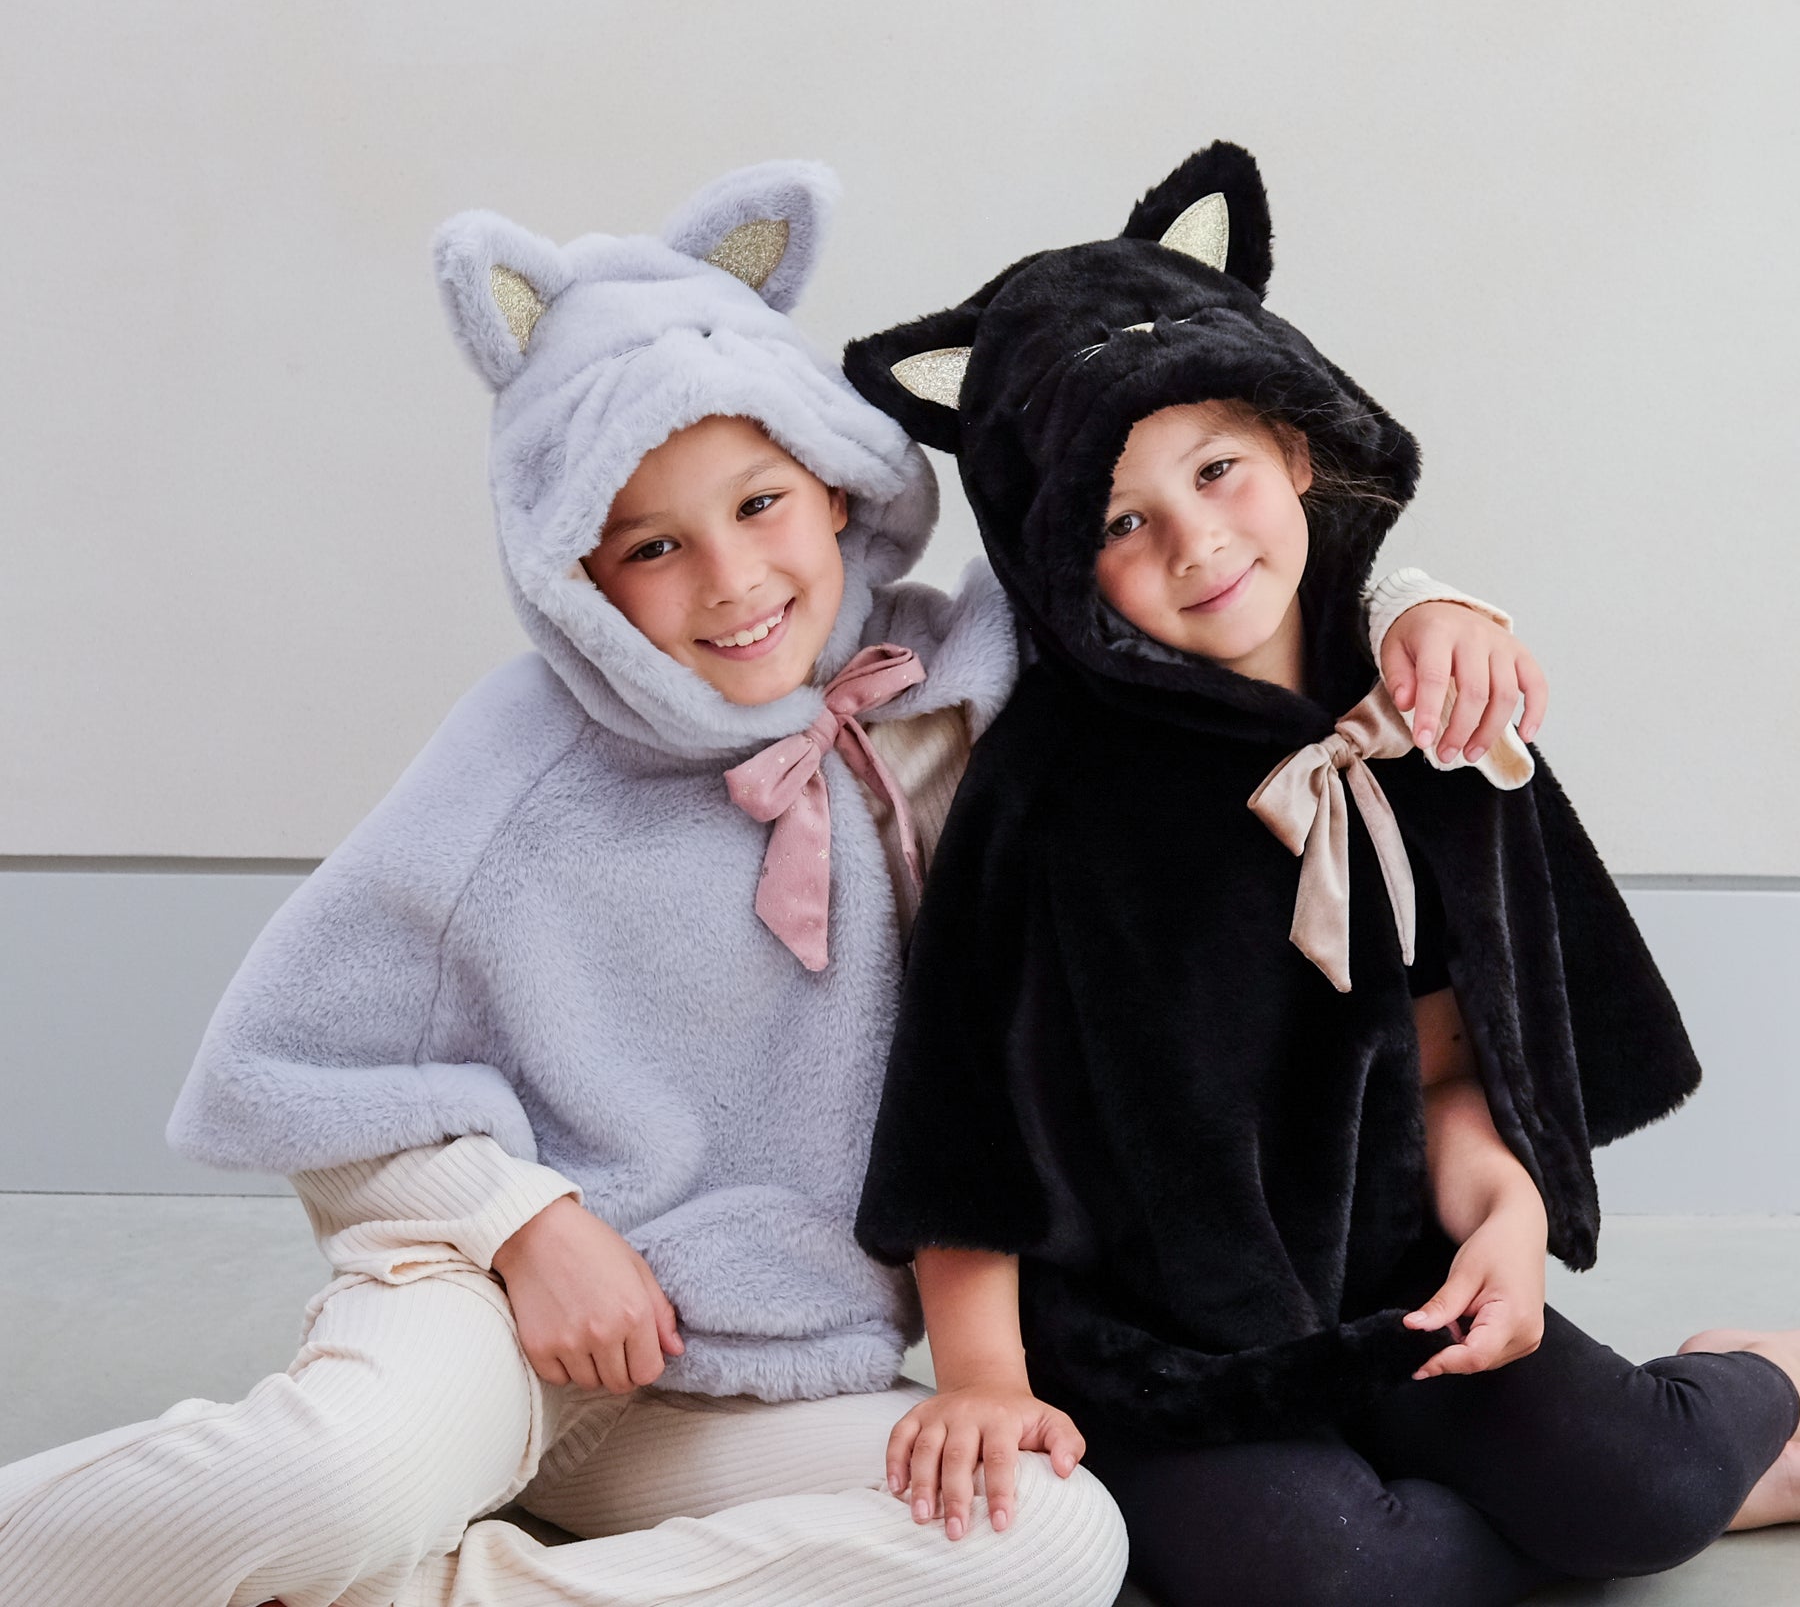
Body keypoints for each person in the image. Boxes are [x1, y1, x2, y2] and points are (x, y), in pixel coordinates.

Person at [0, 159, 1520, 1607]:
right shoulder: (515, 770)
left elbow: (1195, 580)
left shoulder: (963, 673)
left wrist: (1411, 602)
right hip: (502, 1319)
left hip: (754, 1379)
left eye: (760, 504)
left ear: (841, 487)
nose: (730, 582)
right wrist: (524, 1222)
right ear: (573, 577)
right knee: (339, 1484)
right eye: (649, 546)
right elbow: (294, 1068)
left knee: (1047, 1539)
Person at [846, 139, 1800, 1606]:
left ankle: (1744, 1392)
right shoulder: (1048, 793)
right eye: (1119, 521)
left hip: (1393, 1282)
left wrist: (1507, 1216)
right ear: (1056, 559)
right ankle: (1587, 1505)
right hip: (1159, 1353)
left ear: (1295, 448)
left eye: (1218, 470)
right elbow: (961, 1112)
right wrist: (982, 1376)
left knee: (1648, 1488)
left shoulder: (1426, 718)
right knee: (1339, 1577)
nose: (1197, 543)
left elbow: (1449, 1062)